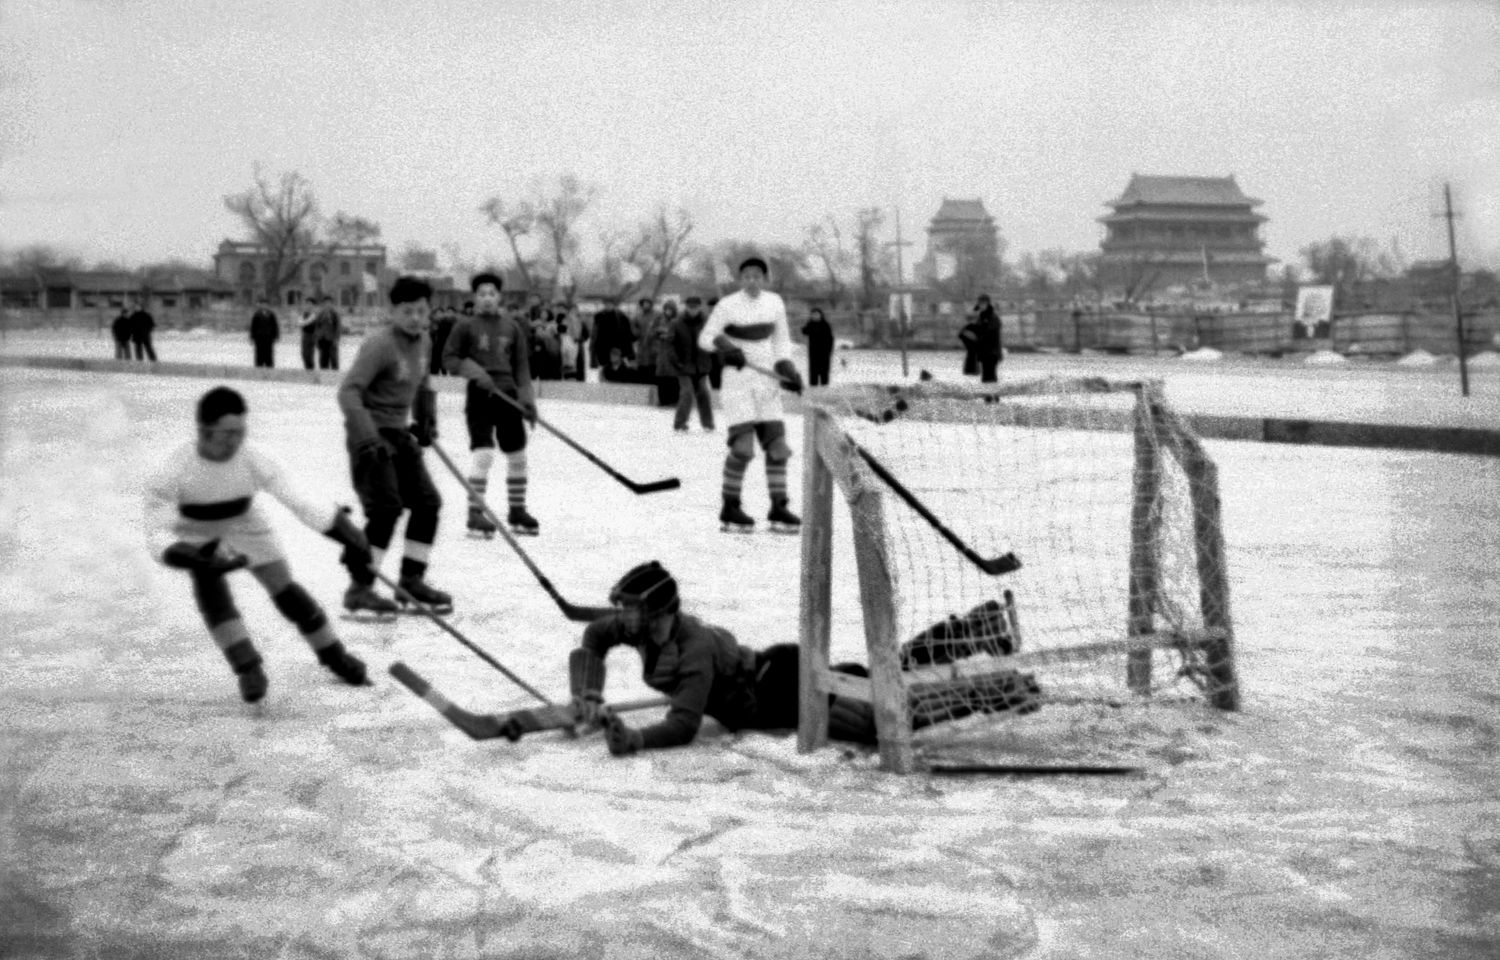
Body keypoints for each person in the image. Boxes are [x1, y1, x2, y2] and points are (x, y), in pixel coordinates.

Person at [570, 563, 1040, 756]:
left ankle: (997, 688)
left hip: (777, 688)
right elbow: (592, 637)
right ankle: (977, 629)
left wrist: (633, 739)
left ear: (656, 611)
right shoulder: (642, 631)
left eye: (630, 608)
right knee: (882, 676)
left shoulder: (693, 649)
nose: (622, 616)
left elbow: (683, 725)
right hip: (771, 682)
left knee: (880, 720)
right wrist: (587, 694)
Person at [144, 386, 373, 702]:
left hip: (244, 520)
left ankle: (334, 655)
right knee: (211, 590)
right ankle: (247, 666)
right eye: (226, 434)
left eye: (241, 431)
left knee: (285, 588)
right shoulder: (172, 469)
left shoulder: (254, 457)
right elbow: (158, 532)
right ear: (203, 431)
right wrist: (188, 556)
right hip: (195, 529)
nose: (235, 441)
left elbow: (301, 499)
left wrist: (346, 534)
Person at [337, 275, 450, 615]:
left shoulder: (424, 341)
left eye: (421, 311)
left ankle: (411, 581)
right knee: (386, 508)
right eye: (407, 311)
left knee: (427, 502)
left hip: (399, 434)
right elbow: (349, 391)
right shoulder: (380, 344)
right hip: (371, 435)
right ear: (393, 311)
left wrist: (427, 420)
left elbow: (423, 383)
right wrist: (367, 436)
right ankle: (360, 588)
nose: (415, 318)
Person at [697, 256, 803, 533]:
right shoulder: (727, 304)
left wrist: (787, 367)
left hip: (767, 382)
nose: (752, 280)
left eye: (758, 275)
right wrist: (725, 346)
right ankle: (730, 505)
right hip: (738, 382)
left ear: (765, 278)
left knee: (778, 449)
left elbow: (781, 341)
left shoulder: (774, 302)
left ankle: (778, 506)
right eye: (747, 276)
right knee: (743, 449)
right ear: (740, 279)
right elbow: (705, 338)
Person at [443, 272, 540, 538]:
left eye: (492, 294)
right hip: (480, 395)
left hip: (507, 396)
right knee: (483, 454)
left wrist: (527, 401)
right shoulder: (465, 326)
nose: (487, 298)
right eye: (482, 294)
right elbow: (449, 359)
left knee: (518, 455)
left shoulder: (512, 327)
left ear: (500, 297)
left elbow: (521, 368)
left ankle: (517, 511)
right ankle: (475, 513)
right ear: (474, 298)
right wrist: (475, 372)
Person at [669, 296, 715, 432]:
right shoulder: (676, 323)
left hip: (701, 364)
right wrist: (675, 360)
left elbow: (713, 339)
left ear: (700, 307)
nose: (693, 310)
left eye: (695, 307)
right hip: (683, 365)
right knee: (687, 392)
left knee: (704, 393)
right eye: (690, 307)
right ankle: (680, 423)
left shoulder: (707, 322)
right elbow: (670, 344)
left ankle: (708, 423)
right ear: (686, 307)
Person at [649, 300, 680, 408]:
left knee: (673, 377)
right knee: (662, 376)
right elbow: (651, 333)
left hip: (674, 354)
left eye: (670, 310)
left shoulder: (678, 321)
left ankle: (674, 400)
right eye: (666, 309)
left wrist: (666, 335)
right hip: (661, 353)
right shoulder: (659, 320)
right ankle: (663, 400)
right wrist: (659, 332)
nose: (668, 312)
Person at [591, 295, 634, 370]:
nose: (608, 306)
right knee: (604, 366)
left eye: (610, 304)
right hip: (602, 346)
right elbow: (595, 332)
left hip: (616, 346)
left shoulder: (621, 316)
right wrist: (593, 345)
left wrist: (626, 349)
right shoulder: (599, 316)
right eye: (606, 304)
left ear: (613, 305)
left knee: (616, 366)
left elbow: (626, 333)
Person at [971, 294, 1003, 383]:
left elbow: (990, 334)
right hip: (985, 352)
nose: (980, 306)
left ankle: (993, 396)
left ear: (987, 304)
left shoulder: (992, 317)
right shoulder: (982, 317)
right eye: (980, 304)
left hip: (992, 352)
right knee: (986, 377)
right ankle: (990, 396)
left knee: (990, 376)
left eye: (982, 304)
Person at [801, 307, 835, 387]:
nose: (815, 316)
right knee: (813, 370)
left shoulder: (825, 325)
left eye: (817, 314)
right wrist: (807, 323)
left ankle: (824, 386)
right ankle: (813, 386)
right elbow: (804, 332)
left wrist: (830, 350)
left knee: (824, 370)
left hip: (824, 351)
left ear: (821, 315)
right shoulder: (810, 324)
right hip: (813, 351)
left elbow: (830, 338)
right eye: (813, 315)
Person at [249, 298, 280, 369]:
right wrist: (252, 337)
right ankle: (259, 367)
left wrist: (276, 336)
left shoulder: (271, 314)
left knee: (269, 352)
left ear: (268, 305)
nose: (264, 306)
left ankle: (269, 367)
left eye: (265, 304)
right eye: (262, 304)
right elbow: (253, 327)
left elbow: (275, 325)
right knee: (259, 352)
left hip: (269, 337)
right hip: (259, 337)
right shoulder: (256, 315)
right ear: (260, 305)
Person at [314, 296, 342, 370]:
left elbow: (338, 327)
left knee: (334, 359)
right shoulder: (320, 314)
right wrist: (317, 339)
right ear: (323, 304)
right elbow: (317, 327)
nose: (327, 304)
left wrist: (336, 339)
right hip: (322, 339)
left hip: (331, 339)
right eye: (325, 303)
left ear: (332, 304)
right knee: (323, 359)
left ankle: (335, 377)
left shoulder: (335, 314)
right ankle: (324, 377)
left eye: (329, 303)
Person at [429, 305, 456, 376]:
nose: (439, 315)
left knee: (443, 369)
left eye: (441, 313)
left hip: (442, 349)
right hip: (433, 350)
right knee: (434, 370)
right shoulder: (431, 323)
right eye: (437, 313)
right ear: (434, 314)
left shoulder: (446, 324)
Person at [299, 305, 318, 370]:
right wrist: (308, 321)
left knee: (310, 354)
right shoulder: (303, 315)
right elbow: (300, 323)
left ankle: (311, 369)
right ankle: (307, 368)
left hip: (312, 336)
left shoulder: (314, 316)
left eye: (310, 306)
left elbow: (303, 323)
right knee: (304, 354)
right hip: (305, 336)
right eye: (307, 306)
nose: (308, 308)